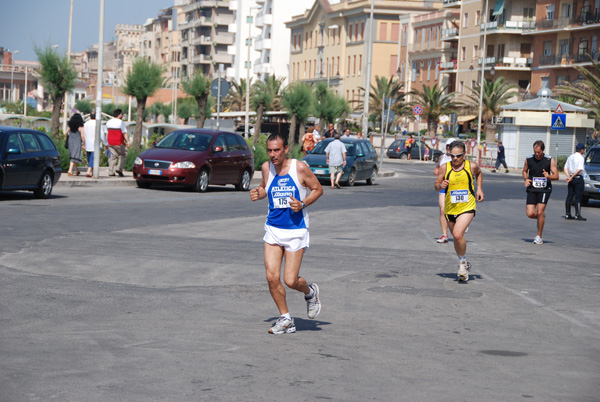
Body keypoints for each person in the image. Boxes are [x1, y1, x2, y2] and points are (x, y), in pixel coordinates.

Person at [249, 133, 324, 335]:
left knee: (290, 280)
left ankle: (310, 292)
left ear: (285, 150)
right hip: (273, 228)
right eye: (270, 150)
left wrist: (302, 203)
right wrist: (259, 193)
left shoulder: (298, 168)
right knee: (271, 277)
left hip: (296, 230)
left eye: (277, 150)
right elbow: (266, 188)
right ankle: (286, 319)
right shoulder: (266, 168)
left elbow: (317, 189)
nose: (273, 155)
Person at [435, 141, 484, 281]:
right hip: (450, 207)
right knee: (457, 238)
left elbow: (479, 174)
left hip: (467, 206)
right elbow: (436, 185)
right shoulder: (445, 168)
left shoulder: (471, 166)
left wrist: (479, 188)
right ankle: (463, 260)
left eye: (458, 155)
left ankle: (462, 264)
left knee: (457, 234)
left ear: (464, 154)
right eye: (452, 155)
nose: (455, 158)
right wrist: (440, 185)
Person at [522, 140, 559, 245]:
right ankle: (541, 217)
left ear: (542, 150)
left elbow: (556, 176)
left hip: (544, 189)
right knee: (530, 213)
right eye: (535, 152)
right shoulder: (529, 159)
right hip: (532, 188)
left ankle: (539, 236)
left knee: (540, 211)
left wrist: (548, 176)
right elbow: (524, 171)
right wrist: (526, 179)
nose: (537, 154)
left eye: (539, 152)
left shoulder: (549, 160)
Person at [433, 140, 454, 243]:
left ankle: (461, 225)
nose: (448, 148)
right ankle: (444, 235)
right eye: (447, 146)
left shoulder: (458, 158)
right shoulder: (442, 157)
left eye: (450, 146)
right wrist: (436, 170)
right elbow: (437, 168)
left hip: (455, 188)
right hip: (443, 187)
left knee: (455, 212)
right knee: (442, 210)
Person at [564, 143, 587, 221]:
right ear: (581, 150)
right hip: (577, 178)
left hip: (571, 178)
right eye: (583, 149)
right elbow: (579, 169)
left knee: (570, 195)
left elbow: (565, 167)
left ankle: (567, 214)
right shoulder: (581, 158)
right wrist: (572, 177)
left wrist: (569, 177)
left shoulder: (570, 157)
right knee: (578, 196)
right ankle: (578, 214)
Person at [105, 109, 130, 177]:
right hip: (118, 142)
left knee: (112, 157)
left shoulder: (108, 122)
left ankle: (111, 171)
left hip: (110, 142)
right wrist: (127, 141)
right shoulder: (121, 122)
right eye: (121, 114)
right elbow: (124, 133)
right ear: (119, 115)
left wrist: (106, 143)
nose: (122, 115)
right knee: (123, 154)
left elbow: (107, 134)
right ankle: (119, 168)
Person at [83, 112, 97, 177]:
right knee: (93, 158)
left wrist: (83, 143)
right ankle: (88, 171)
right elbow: (101, 134)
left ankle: (93, 172)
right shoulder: (97, 124)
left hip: (87, 143)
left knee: (90, 158)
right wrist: (105, 143)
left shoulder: (86, 124)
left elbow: (84, 134)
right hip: (95, 143)